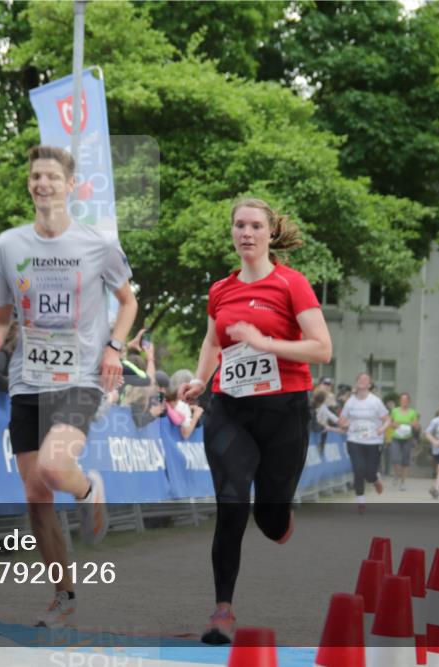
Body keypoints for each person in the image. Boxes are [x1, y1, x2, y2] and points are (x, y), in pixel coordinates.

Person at [0, 145, 137, 629]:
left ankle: (91, 490)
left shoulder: (98, 245)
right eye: (35, 176)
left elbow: (126, 302)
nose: (42, 183)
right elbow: (1, 313)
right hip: (28, 379)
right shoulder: (7, 246)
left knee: (54, 465)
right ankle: (64, 596)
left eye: (52, 176)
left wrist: (114, 347)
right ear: (29, 185)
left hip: (80, 377)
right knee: (35, 495)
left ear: (71, 186)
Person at [177, 197, 331, 644]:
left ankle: (279, 516)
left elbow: (322, 348)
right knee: (230, 503)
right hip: (230, 408)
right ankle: (222, 609)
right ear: (232, 233)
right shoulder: (221, 290)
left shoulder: (291, 284)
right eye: (239, 226)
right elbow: (212, 340)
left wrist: (267, 343)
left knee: (269, 518)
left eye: (255, 226)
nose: (246, 233)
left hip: (284, 412)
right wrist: (201, 379)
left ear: (269, 233)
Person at [338, 373, 390, 513]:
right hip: (354, 440)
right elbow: (341, 420)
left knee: (369, 473)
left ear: (369, 385)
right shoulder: (350, 402)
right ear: (356, 383)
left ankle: (375, 479)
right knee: (358, 469)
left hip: (373, 441)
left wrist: (382, 429)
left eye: (365, 379)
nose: (362, 381)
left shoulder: (375, 402)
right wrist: (345, 424)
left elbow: (387, 420)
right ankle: (360, 501)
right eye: (359, 379)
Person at [389, 393, 419, 490]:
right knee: (394, 459)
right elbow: (390, 423)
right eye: (402, 400)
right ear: (400, 401)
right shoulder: (395, 411)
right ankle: (397, 475)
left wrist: (414, 424)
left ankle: (402, 483)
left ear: (409, 401)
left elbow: (416, 426)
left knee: (405, 461)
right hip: (396, 438)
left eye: (406, 400)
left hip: (407, 439)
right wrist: (394, 425)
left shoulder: (413, 412)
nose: (404, 402)